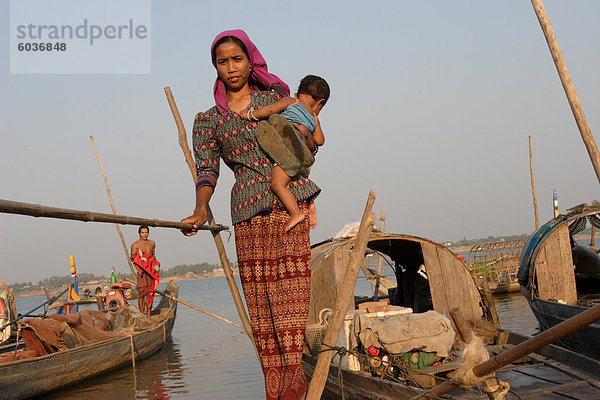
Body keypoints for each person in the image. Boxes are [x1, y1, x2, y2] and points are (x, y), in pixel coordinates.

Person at [181, 29, 320, 400]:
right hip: (247, 211)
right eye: (222, 61)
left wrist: (305, 152)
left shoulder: (274, 98)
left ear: (250, 59)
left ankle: (295, 384)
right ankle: (275, 389)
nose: (231, 68)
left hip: (288, 202)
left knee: (291, 302)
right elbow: (207, 170)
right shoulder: (208, 120)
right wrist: (199, 209)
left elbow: (305, 146)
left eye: (237, 59)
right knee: (262, 312)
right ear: (215, 67)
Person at [239, 75, 329, 232]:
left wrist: (250, 114)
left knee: (277, 184)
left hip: (287, 152)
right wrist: (314, 123)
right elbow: (320, 141)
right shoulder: (314, 118)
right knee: (298, 174)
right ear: (320, 102)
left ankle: (296, 213)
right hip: (302, 150)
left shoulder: (291, 101)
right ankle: (310, 203)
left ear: (297, 94)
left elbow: (271, 109)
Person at [130, 225, 160, 316]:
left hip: (151, 271)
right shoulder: (135, 245)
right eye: (142, 233)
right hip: (142, 271)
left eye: (146, 232)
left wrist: (156, 267)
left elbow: (153, 255)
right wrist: (141, 258)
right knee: (141, 293)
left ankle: (149, 313)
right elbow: (132, 257)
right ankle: (142, 313)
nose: (144, 234)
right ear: (139, 234)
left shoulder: (152, 243)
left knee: (150, 293)